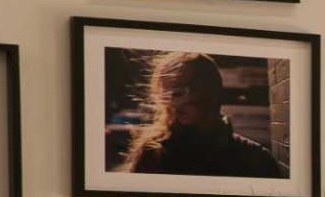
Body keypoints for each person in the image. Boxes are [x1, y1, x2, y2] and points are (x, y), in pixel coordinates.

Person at [118, 51, 285, 179]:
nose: (172, 103)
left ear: (210, 93)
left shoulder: (255, 159)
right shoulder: (152, 153)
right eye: (165, 94)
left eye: (178, 92)